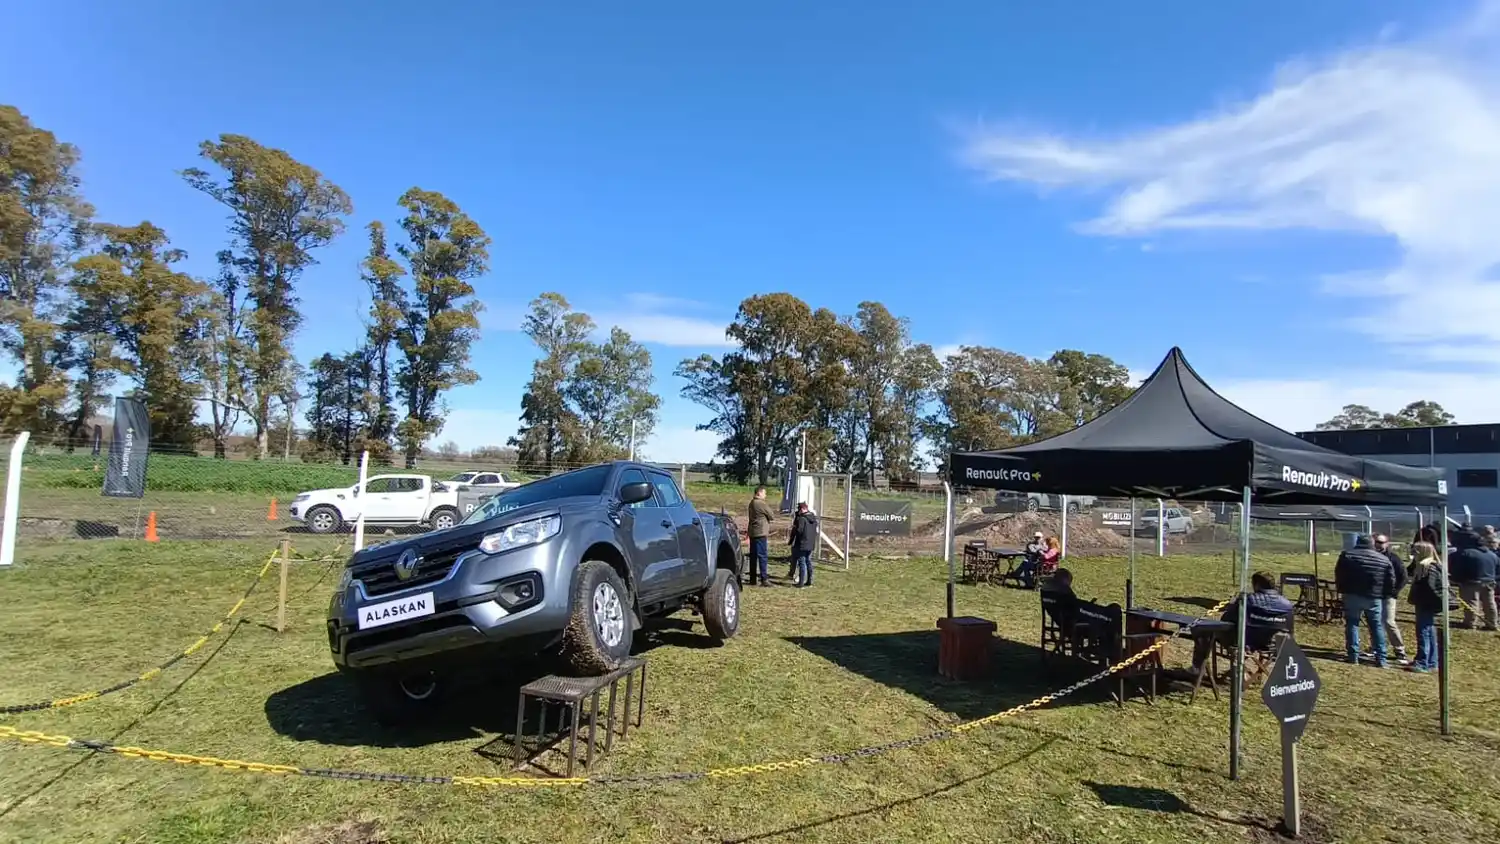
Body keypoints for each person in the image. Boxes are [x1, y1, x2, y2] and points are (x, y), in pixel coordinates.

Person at [1190, 571, 1294, 674]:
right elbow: (1289, 629)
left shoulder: (1247, 600)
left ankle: (1196, 668)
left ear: (1256, 585)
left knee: (1202, 631)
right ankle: (1246, 672)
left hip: (1242, 642)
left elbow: (1226, 619)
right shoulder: (1287, 604)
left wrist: (1233, 605)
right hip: (1272, 643)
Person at [1335, 534, 1396, 667]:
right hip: (1374, 596)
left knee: (1352, 624)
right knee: (1376, 626)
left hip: (1352, 594)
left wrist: (1341, 590)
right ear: (1372, 544)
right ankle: (1381, 658)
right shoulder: (1383, 559)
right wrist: (1385, 594)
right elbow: (1390, 580)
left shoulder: (1347, 556)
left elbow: (1339, 574)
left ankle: (1353, 655)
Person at [1406, 541, 1445, 672]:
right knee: (1429, 630)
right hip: (1427, 603)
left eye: (1416, 551)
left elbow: (1430, 587)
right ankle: (1431, 661)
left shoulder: (1426, 567)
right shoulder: (1431, 565)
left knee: (1423, 632)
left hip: (1425, 603)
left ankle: (1423, 662)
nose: (1413, 554)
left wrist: (1424, 599)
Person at [1449, 527, 1498, 630]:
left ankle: (1470, 623)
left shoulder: (1466, 552)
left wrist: (1456, 579)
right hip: (1489, 581)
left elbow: (1459, 568)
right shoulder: (1492, 554)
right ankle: (1492, 623)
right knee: (1489, 603)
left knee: (1471, 603)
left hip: (1471, 582)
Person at [1374, 534, 1409, 664]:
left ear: (1387, 543)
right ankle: (1376, 647)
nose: (1378, 544)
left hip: (1389, 595)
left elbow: (1404, 577)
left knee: (1389, 622)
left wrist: (1394, 591)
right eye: (1376, 542)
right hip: (1375, 594)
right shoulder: (1372, 555)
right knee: (1377, 622)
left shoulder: (1394, 559)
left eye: (1381, 542)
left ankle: (1400, 650)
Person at [746, 486, 775, 587]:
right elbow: (771, 515)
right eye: (764, 493)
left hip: (753, 532)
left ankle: (752, 579)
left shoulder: (751, 503)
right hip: (760, 532)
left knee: (753, 556)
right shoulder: (760, 503)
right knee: (762, 556)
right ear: (759, 493)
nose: (765, 495)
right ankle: (764, 579)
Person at [788, 502, 818, 587]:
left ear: (802, 509)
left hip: (802, 543)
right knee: (808, 561)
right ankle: (809, 581)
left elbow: (799, 531)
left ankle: (800, 582)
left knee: (802, 562)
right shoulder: (813, 518)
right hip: (810, 544)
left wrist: (794, 527)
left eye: (799, 509)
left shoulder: (802, 519)